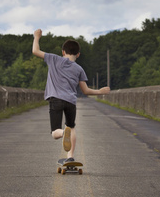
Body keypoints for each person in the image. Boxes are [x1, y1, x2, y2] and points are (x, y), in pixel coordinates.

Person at [32, 29, 110, 163]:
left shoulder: (54, 59)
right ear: (78, 54)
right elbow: (85, 91)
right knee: (71, 127)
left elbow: (35, 51)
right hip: (71, 102)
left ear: (63, 52)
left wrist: (36, 37)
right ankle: (70, 157)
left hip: (56, 99)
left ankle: (63, 133)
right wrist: (100, 92)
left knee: (55, 132)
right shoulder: (79, 69)